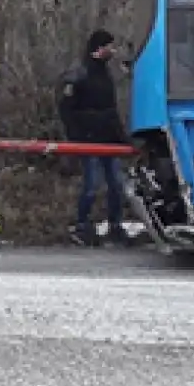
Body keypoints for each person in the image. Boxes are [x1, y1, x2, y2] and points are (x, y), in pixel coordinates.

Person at [58, 29, 134, 247]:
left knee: (116, 185)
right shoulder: (80, 74)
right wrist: (77, 136)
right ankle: (82, 226)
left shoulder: (106, 74)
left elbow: (111, 109)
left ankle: (115, 225)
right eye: (109, 46)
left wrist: (121, 138)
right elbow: (67, 110)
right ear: (99, 48)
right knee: (91, 185)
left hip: (108, 139)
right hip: (89, 139)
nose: (113, 50)